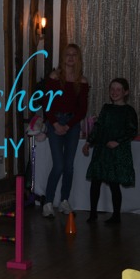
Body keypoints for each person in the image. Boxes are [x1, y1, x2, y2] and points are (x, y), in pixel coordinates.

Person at [42, 43, 90, 218]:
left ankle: (64, 200)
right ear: (63, 57)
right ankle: (48, 202)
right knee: (59, 165)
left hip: (72, 124)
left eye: (74, 55)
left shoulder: (82, 81)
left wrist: (69, 125)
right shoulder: (54, 77)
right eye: (68, 54)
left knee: (69, 166)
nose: (70, 57)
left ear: (78, 59)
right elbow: (47, 104)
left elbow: (82, 110)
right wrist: (55, 124)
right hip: (55, 121)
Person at [82, 78, 137, 224]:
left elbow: (132, 130)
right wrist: (88, 142)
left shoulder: (129, 111)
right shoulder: (106, 108)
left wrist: (117, 141)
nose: (114, 92)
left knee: (114, 183)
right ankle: (93, 213)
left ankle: (116, 215)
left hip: (117, 152)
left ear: (126, 92)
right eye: (112, 89)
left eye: (118, 89)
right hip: (102, 150)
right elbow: (98, 126)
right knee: (96, 181)